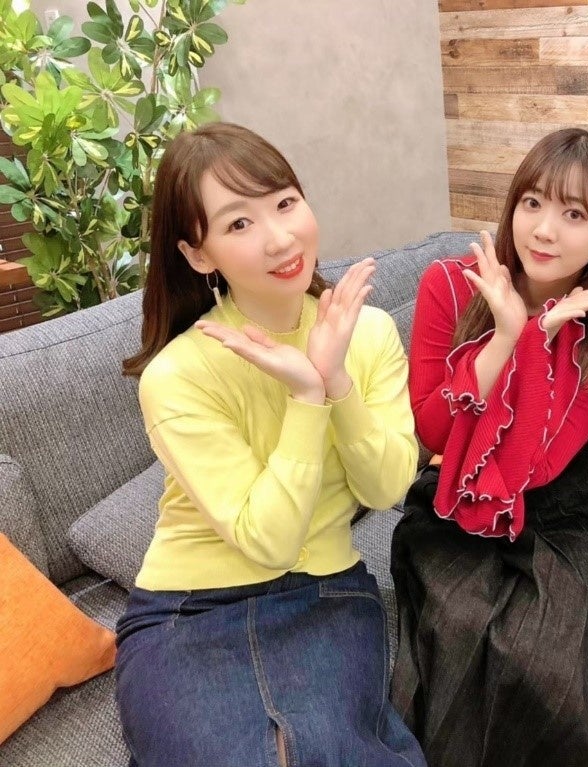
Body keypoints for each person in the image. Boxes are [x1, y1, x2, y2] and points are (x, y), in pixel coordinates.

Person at [117, 122, 426, 767]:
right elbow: (269, 540)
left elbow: (385, 488)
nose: (280, 238)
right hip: (190, 614)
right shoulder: (178, 375)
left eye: (285, 203)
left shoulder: (368, 332)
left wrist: (335, 380)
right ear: (198, 255)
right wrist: (305, 399)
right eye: (238, 223)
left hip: (327, 594)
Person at [389, 128, 588, 767]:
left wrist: (541, 342)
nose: (543, 230)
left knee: (549, 646)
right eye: (532, 203)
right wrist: (508, 336)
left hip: (566, 490)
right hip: (460, 484)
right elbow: (434, 434)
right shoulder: (450, 284)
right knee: (458, 621)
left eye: (575, 214)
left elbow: (531, 467)